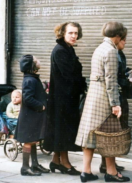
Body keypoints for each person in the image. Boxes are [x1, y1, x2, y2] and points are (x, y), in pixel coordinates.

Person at [75, 22, 130, 182]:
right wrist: (115, 103)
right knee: (110, 135)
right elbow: (111, 80)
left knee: (90, 134)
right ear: (118, 36)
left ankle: (86, 171)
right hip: (104, 97)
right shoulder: (111, 51)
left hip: (94, 94)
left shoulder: (100, 48)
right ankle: (111, 173)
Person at [43, 22, 86, 175]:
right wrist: (82, 84)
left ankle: (56, 161)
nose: (74, 36)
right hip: (63, 98)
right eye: (70, 33)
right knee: (64, 131)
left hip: (66, 97)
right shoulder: (61, 50)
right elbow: (69, 75)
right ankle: (65, 163)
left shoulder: (67, 49)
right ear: (63, 33)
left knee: (61, 130)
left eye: (76, 33)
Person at [99, 33, 132, 174]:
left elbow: (121, 73)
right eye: (123, 40)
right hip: (115, 98)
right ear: (117, 39)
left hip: (121, 96)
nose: (125, 42)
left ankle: (109, 163)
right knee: (112, 131)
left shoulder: (120, 54)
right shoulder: (112, 53)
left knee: (118, 130)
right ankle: (107, 165)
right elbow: (115, 79)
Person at [14, 54, 50, 176]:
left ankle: (34, 164)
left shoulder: (32, 78)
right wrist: (41, 106)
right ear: (31, 66)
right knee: (29, 141)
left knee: (33, 139)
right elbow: (28, 98)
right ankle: (25, 167)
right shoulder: (30, 80)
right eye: (36, 60)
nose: (38, 61)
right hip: (30, 116)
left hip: (33, 116)